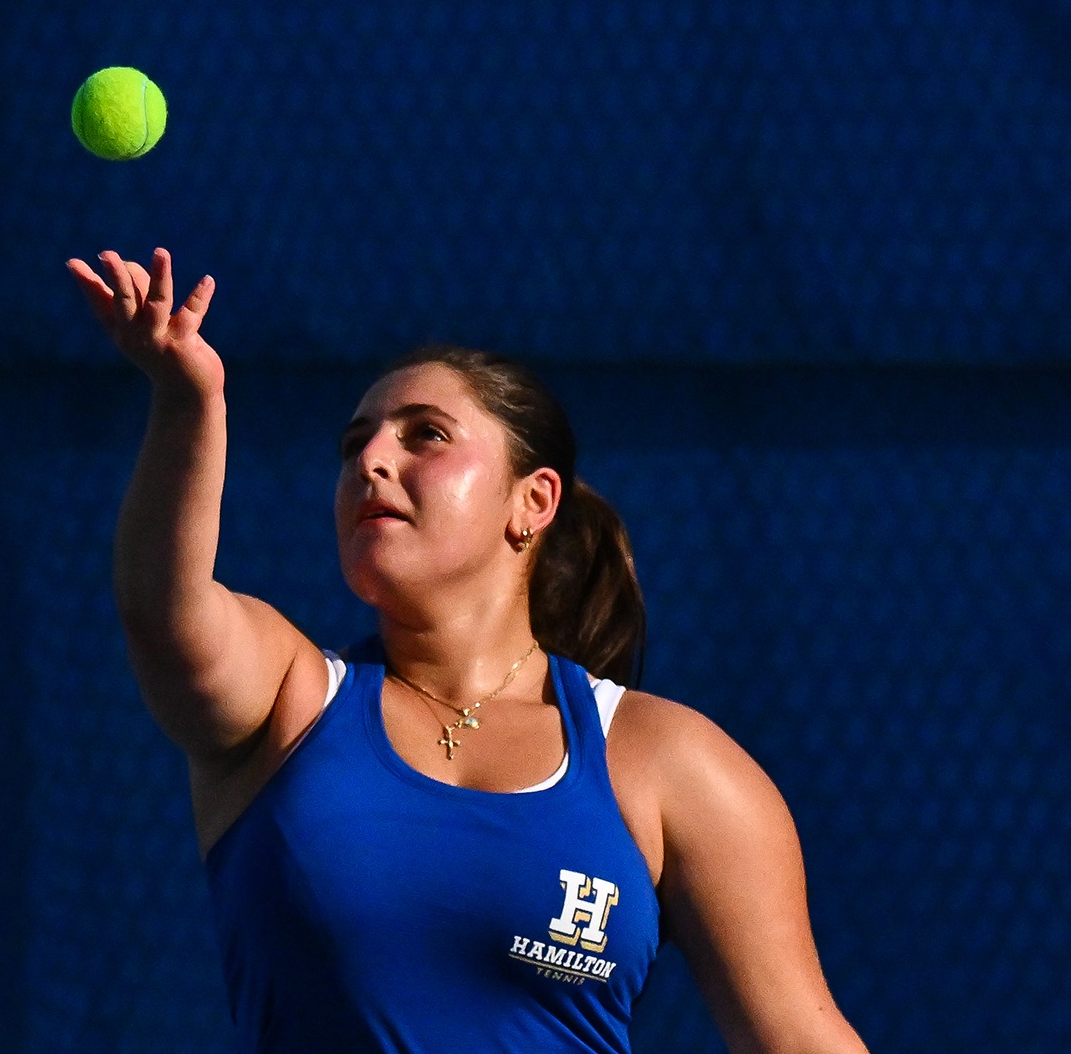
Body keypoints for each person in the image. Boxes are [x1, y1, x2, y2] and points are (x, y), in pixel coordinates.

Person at [66, 247, 868, 1054]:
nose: (372, 461)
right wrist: (186, 400)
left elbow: (801, 1039)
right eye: (354, 445)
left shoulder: (669, 762)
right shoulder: (289, 698)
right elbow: (162, 612)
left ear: (533, 500)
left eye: (426, 436)